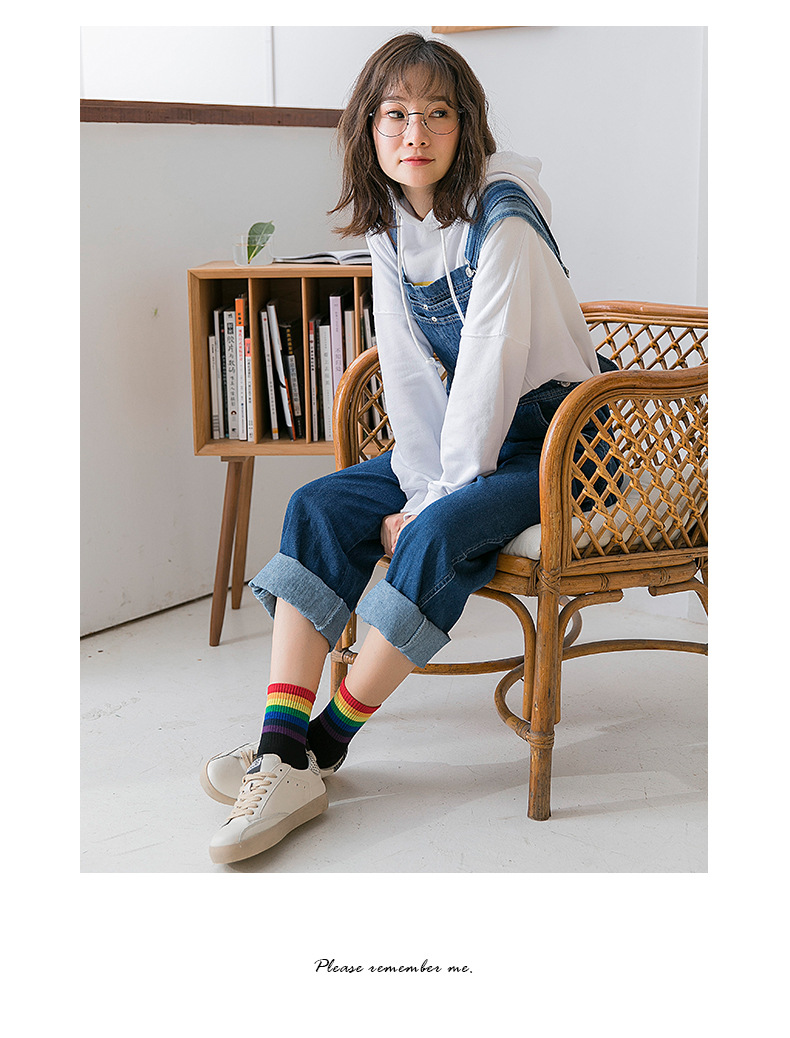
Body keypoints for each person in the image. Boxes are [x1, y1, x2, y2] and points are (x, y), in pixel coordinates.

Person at [200, 32, 609, 865]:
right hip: (473, 433)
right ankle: (282, 747)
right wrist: (420, 484)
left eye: (437, 114)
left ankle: (323, 746)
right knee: (318, 505)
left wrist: (432, 502)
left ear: (466, 128)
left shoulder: (504, 219)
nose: (414, 133)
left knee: (437, 531)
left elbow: (488, 372)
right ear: (369, 127)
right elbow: (412, 376)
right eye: (395, 114)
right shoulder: (389, 223)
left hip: (563, 445)